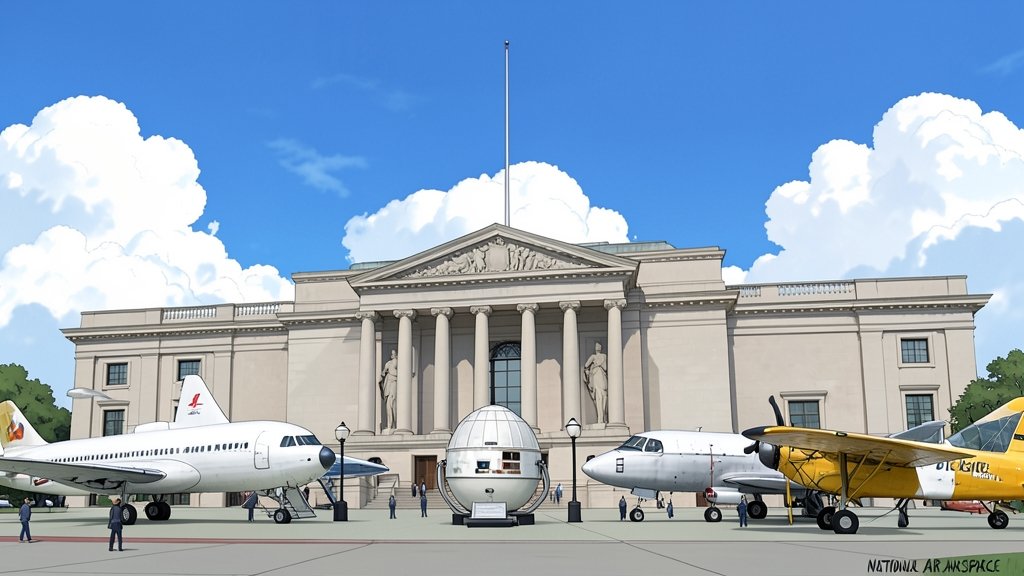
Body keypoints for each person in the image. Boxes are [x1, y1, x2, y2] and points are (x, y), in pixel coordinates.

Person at [583, 342, 609, 424]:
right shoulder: (593, 357)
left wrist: (599, 365)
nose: (598, 347)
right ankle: (600, 418)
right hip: (596, 376)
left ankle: (604, 416)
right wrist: (592, 368)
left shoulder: (604, 356)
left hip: (602, 376)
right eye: (597, 346)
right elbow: (586, 365)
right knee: (598, 397)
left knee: (604, 395)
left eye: (599, 345)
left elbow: (606, 367)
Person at [379, 350, 399, 430]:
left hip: (394, 383)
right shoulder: (388, 363)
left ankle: (394, 424)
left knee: (393, 402)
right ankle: (390, 425)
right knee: (388, 405)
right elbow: (383, 373)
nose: (392, 355)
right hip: (389, 384)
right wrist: (384, 371)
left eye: (394, 353)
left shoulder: (396, 363)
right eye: (392, 353)